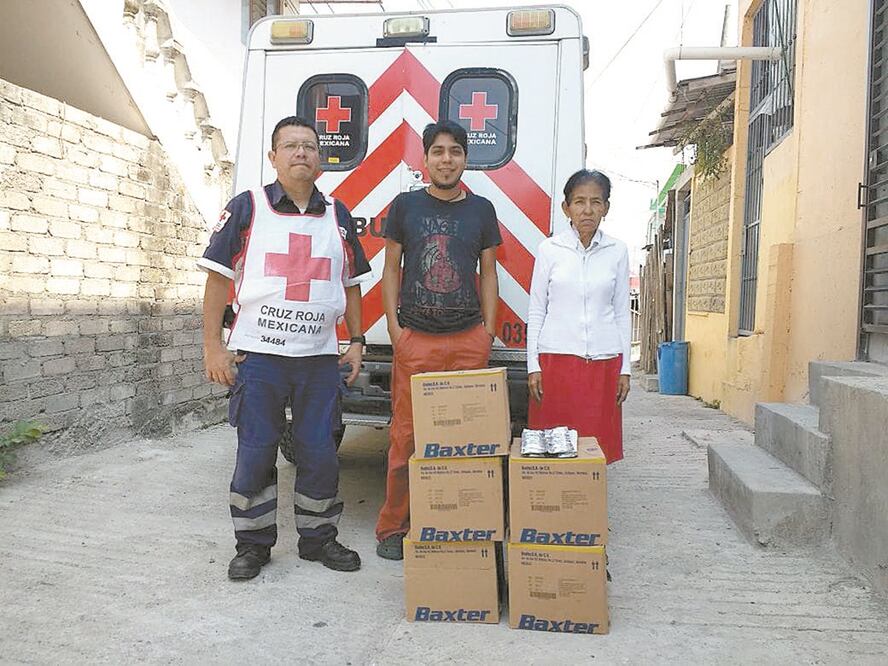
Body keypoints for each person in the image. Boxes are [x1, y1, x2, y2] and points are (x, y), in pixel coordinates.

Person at [199, 115, 371, 579]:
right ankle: (253, 545)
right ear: (273, 157)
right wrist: (213, 346)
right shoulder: (248, 207)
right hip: (260, 358)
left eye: (310, 147)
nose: (301, 153)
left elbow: (350, 285)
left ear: (321, 159)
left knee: (319, 452)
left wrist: (355, 341)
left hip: (318, 360)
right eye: (291, 146)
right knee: (256, 451)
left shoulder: (337, 214)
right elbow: (218, 279)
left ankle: (319, 540)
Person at [375, 120, 502, 560]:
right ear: (424, 159)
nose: (446, 159)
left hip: (468, 339)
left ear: (466, 158)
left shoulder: (482, 210)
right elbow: (391, 268)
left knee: (468, 441)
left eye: (455, 151)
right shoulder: (405, 206)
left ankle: (458, 522)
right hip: (417, 341)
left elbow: (489, 272)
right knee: (406, 439)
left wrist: (486, 331)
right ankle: (394, 526)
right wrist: (394, 329)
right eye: (438, 152)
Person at [526, 169, 630, 464]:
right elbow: (537, 310)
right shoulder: (549, 250)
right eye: (579, 201)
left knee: (595, 452)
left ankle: (586, 508)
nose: (587, 210)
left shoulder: (617, 251)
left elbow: (622, 311)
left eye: (596, 202)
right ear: (566, 207)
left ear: (606, 208)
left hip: (603, 366)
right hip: (556, 364)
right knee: (554, 451)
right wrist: (533, 365)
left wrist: (625, 370)